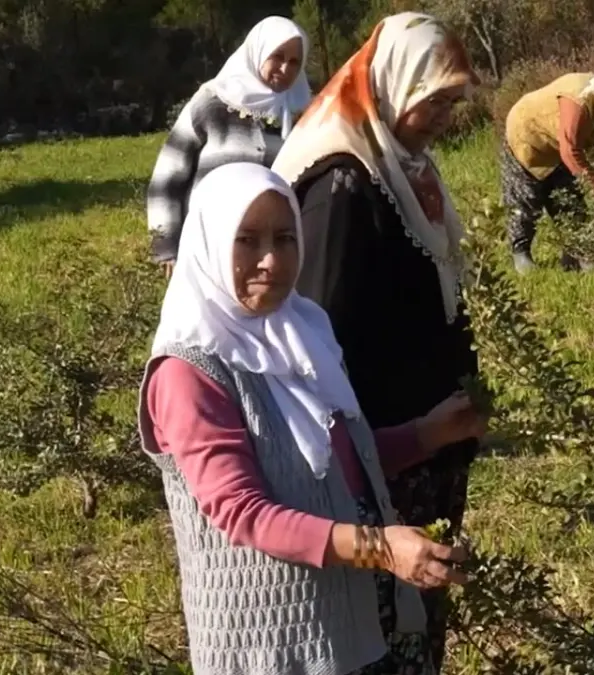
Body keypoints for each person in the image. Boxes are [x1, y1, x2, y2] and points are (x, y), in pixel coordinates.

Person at [139, 162, 487, 675]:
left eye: (285, 238)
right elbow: (243, 514)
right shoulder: (189, 373)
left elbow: (343, 464)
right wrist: (380, 547)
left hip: (360, 606)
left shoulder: (303, 332)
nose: (270, 261)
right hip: (280, 641)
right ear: (209, 245)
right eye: (247, 240)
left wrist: (432, 432)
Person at [270, 12, 480, 670]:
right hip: (382, 450)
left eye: (452, 102)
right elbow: (324, 332)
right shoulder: (342, 183)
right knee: (383, 621)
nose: (444, 116)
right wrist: (391, 442)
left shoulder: (401, 165)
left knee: (421, 605)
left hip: (427, 435)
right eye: (434, 101)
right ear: (393, 86)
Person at [146, 16, 311, 277]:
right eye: (277, 56)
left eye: (294, 62)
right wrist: (166, 245)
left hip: (269, 261)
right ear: (258, 53)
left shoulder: (304, 115)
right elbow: (167, 176)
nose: (285, 68)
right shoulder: (213, 103)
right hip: (206, 250)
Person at [501, 72, 594, 273]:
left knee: (569, 199)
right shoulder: (578, 101)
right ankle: (521, 254)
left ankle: (574, 255)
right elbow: (570, 150)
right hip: (528, 137)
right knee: (525, 199)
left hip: (560, 146)